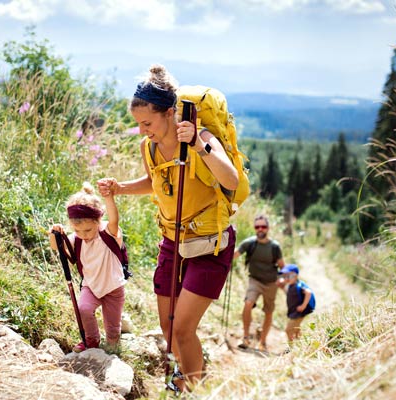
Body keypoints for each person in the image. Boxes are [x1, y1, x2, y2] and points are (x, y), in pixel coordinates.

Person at [97, 64, 238, 392]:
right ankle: (180, 385)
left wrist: (201, 147)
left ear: (170, 113)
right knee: (168, 326)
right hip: (172, 242)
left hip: (209, 244)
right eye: (138, 124)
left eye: (147, 123)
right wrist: (120, 188)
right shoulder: (149, 147)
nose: (143, 130)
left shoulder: (200, 138)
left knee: (183, 329)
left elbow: (229, 178)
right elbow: (155, 181)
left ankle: (194, 389)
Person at [49, 182, 126, 353]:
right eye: (77, 230)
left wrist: (109, 198)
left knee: (112, 326)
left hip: (113, 287)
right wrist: (54, 234)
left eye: (88, 230)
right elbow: (56, 247)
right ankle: (92, 340)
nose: (84, 235)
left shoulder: (108, 233)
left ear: (99, 220)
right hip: (91, 285)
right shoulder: (77, 239)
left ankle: (113, 345)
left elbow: (114, 219)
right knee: (83, 309)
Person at [233, 215, 285, 351]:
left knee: (268, 312)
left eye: (263, 226)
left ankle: (263, 341)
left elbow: (282, 266)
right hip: (254, 280)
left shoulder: (274, 247)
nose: (260, 229)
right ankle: (246, 337)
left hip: (271, 283)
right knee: (248, 303)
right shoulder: (249, 243)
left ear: (268, 228)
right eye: (257, 227)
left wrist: (283, 279)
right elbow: (235, 254)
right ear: (254, 228)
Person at [276, 264, 315, 346]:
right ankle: (302, 344)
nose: (286, 278)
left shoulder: (299, 285)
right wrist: (282, 288)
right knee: (297, 330)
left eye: (288, 276)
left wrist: (303, 306)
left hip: (299, 312)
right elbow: (290, 295)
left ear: (295, 275)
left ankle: (292, 347)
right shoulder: (291, 286)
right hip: (294, 311)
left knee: (288, 330)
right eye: (285, 276)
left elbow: (308, 292)